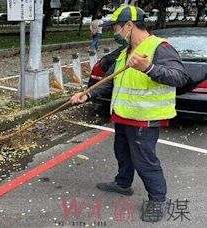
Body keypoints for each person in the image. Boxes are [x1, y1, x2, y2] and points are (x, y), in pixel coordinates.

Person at [70, 5, 189, 222]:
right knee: (122, 152)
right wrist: (87, 95)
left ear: (129, 26)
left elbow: (179, 77)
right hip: (124, 115)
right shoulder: (126, 52)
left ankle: (158, 199)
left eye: (116, 28)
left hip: (145, 118)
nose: (115, 33)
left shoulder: (159, 48)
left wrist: (149, 68)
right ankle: (123, 183)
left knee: (145, 161)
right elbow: (112, 80)